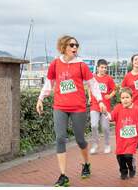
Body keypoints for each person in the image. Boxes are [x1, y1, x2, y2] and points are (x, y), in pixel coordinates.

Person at [36, 35, 107, 186]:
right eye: (71, 45)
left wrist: (100, 101)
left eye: (76, 45)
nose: (75, 48)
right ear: (63, 47)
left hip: (78, 108)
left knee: (80, 139)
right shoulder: (55, 64)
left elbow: (93, 85)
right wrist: (40, 99)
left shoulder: (81, 65)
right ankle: (63, 175)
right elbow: (49, 83)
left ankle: (86, 164)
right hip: (60, 107)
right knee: (60, 138)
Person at [108, 87, 138, 180]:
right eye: (123, 98)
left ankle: (132, 168)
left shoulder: (137, 109)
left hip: (132, 139)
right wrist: (105, 112)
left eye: (127, 97)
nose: (125, 100)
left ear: (131, 98)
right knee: (120, 156)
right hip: (121, 139)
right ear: (120, 99)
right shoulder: (118, 108)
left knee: (128, 155)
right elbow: (110, 118)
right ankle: (123, 171)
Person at [88, 59, 116, 154]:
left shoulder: (109, 79)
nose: (104, 69)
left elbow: (114, 90)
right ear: (98, 68)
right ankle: (95, 144)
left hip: (105, 107)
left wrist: (110, 95)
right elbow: (89, 87)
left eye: (105, 68)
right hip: (95, 106)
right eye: (102, 67)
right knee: (94, 125)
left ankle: (107, 144)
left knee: (105, 127)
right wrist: (89, 97)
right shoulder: (93, 77)